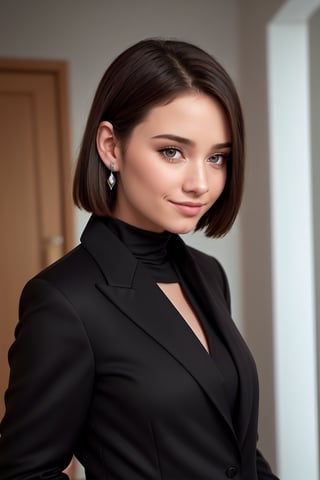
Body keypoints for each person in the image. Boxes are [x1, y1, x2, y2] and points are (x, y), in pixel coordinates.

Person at [0, 38, 279, 479]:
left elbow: (236, 450)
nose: (200, 183)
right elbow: (24, 473)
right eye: (172, 151)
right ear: (111, 146)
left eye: (217, 157)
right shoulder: (64, 301)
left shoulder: (208, 275)